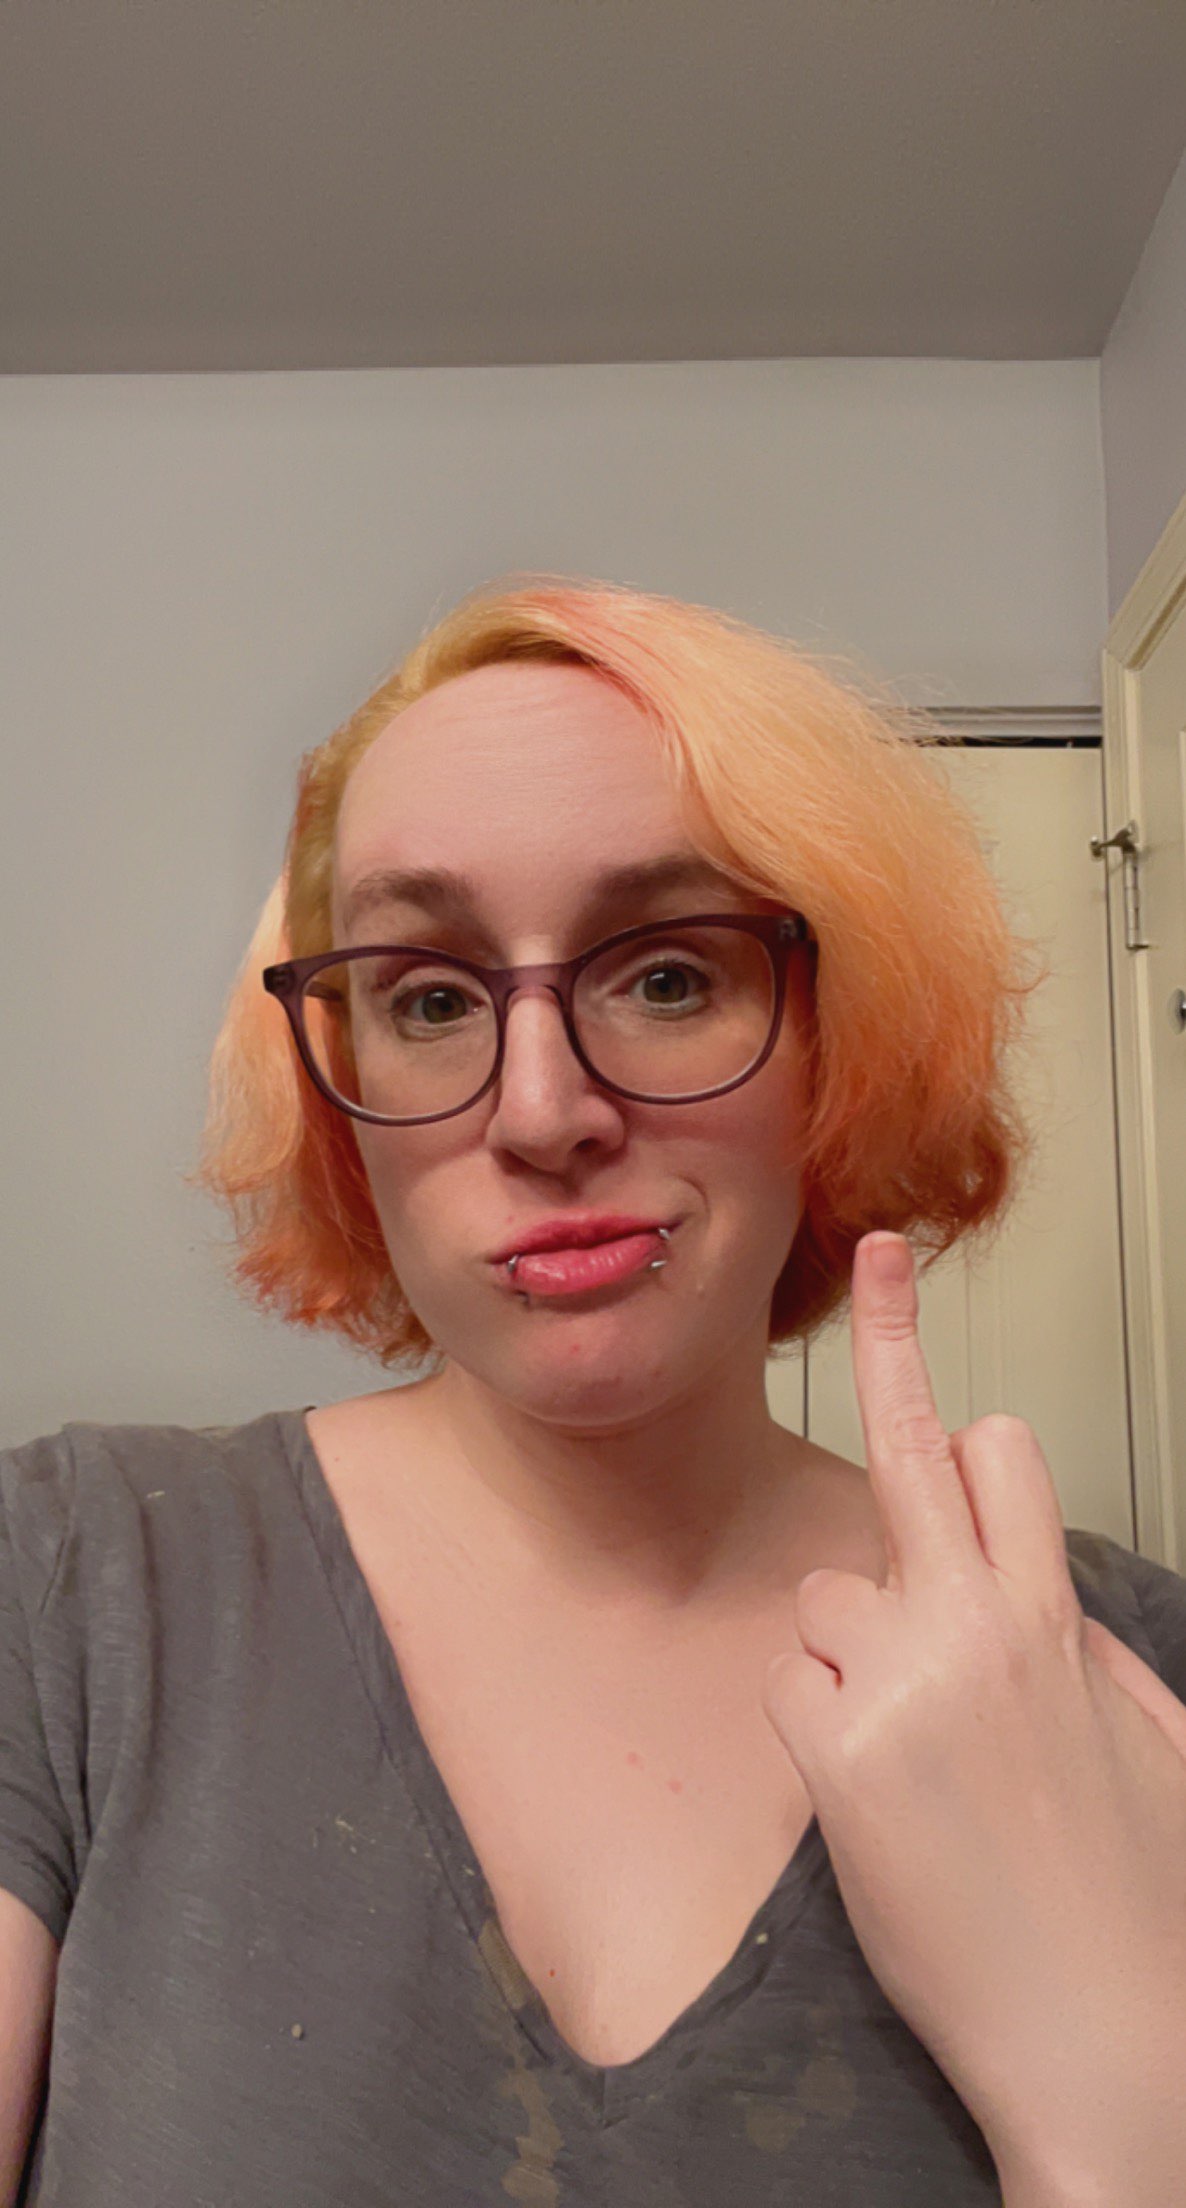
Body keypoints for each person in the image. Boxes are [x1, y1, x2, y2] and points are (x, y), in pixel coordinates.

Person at [3, 572, 1185, 2205]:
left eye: (668, 976)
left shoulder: (1121, 1678)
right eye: (430, 1000)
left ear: (834, 1037)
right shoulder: (68, 1586)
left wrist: (1113, 2081)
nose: (543, 1114)